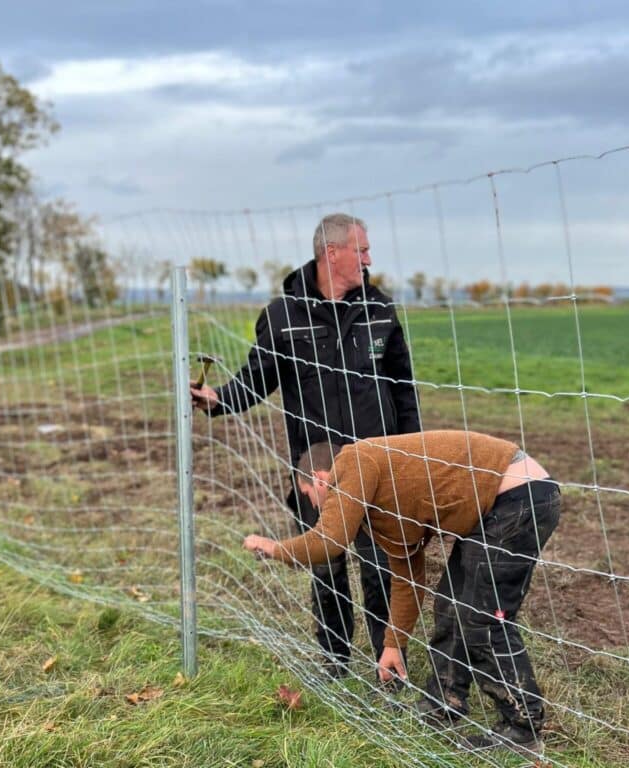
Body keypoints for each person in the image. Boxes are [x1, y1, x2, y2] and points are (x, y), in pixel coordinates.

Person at [191, 213, 421, 677]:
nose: (369, 259)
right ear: (331, 253)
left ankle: (387, 662)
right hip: (315, 466)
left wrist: (412, 453)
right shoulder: (281, 317)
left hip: (379, 464)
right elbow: (257, 379)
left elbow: (403, 388)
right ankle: (335, 660)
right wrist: (218, 399)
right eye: (361, 250)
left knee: (381, 567)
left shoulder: (380, 310)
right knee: (327, 566)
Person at [243, 430, 561, 757]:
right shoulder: (382, 506)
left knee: (482, 619)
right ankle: (443, 704)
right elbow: (408, 577)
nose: (312, 504)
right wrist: (394, 643)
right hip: (498, 506)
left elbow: (328, 541)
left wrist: (273, 547)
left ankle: (522, 728)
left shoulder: (354, 460)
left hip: (519, 499)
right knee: (451, 605)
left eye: (308, 494)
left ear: (320, 478)